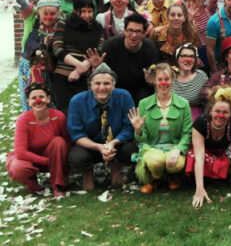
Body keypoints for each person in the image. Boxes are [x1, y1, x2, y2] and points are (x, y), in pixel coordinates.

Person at [67, 63, 137, 190]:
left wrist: (113, 143)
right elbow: (77, 134)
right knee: (77, 158)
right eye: (97, 84)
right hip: (90, 146)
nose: (102, 87)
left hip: (116, 145)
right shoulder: (77, 101)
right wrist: (99, 147)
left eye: (107, 84)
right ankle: (88, 174)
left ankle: (116, 169)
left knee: (131, 150)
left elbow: (129, 127)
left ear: (113, 85)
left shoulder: (124, 96)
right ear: (90, 85)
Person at [129, 63, 192, 193]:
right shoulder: (144, 104)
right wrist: (138, 130)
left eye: (167, 79)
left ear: (173, 80)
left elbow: (187, 133)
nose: (163, 83)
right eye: (160, 79)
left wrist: (178, 150)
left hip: (173, 146)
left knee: (177, 163)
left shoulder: (184, 104)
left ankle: (172, 176)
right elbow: (142, 140)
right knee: (156, 161)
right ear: (154, 81)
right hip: (152, 147)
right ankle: (155, 178)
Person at [7, 84, 70, 197]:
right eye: (33, 98)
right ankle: (33, 184)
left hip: (53, 157)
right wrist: (46, 161)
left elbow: (67, 142)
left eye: (42, 96)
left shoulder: (59, 116)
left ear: (48, 99)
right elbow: (21, 153)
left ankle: (58, 184)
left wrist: (63, 164)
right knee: (18, 168)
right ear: (28, 101)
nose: (38, 100)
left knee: (59, 141)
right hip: (30, 160)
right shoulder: (23, 120)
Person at [51, 0, 105, 113]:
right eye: (83, 11)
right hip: (62, 76)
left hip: (86, 78)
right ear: (76, 11)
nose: (87, 15)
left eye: (89, 11)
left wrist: (80, 70)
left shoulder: (98, 28)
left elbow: (99, 50)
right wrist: (78, 65)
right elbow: (57, 48)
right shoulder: (64, 24)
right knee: (66, 113)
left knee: (85, 113)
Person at [11, 0, 62, 111]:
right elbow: (20, 1)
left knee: (49, 102)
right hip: (29, 67)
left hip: (50, 68)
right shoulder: (31, 20)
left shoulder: (60, 26)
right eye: (45, 13)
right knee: (31, 100)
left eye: (52, 13)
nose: (48, 17)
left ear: (58, 13)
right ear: (38, 12)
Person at [97, 13, 160, 103]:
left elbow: (153, 78)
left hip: (141, 88)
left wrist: (150, 80)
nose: (134, 35)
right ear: (125, 31)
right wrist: (96, 66)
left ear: (144, 33)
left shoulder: (150, 48)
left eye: (138, 31)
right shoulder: (111, 44)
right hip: (115, 86)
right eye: (130, 30)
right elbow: (101, 73)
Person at [172, 43, 208, 122]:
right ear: (177, 59)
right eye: (184, 56)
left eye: (191, 56)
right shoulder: (169, 76)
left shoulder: (201, 76)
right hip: (173, 116)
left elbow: (207, 102)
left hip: (196, 119)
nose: (188, 60)